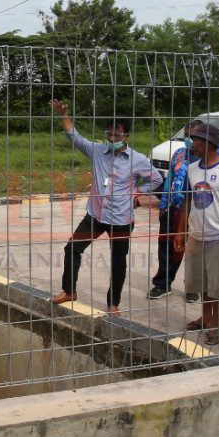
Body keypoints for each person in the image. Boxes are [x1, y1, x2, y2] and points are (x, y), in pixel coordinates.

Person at [48, 98, 163, 315]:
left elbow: (156, 180)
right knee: (72, 248)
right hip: (95, 215)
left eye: (117, 135)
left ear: (126, 136)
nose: (111, 138)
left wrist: (138, 194)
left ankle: (113, 304)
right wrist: (63, 115)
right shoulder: (97, 151)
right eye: (109, 134)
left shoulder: (137, 160)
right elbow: (75, 137)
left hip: (121, 219)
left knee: (118, 263)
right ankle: (69, 290)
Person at [174, 124, 219, 345]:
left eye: (196, 140)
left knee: (217, 286)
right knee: (202, 284)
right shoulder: (192, 169)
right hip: (196, 236)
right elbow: (186, 202)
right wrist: (180, 232)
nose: (192, 144)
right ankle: (206, 318)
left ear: (209, 143)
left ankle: (214, 325)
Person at [150, 120, 204, 302]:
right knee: (166, 246)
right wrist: (164, 205)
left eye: (193, 136)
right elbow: (170, 180)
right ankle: (162, 283)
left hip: (197, 211)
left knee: (192, 250)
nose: (189, 139)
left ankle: (192, 287)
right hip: (174, 207)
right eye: (186, 135)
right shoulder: (180, 154)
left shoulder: (210, 157)